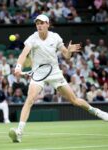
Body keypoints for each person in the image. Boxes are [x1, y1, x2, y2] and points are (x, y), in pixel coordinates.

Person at [9, 14, 108, 143]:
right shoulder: (32, 39)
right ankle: (19, 132)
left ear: (47, 24)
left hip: (55, 72)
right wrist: (18, 67)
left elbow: (66, 55)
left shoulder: (55, 37)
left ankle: (98, 113)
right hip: (38, 74)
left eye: (42, 23)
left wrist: (69, 51)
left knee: (74, 100)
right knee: (30, 99)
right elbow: (23, 54)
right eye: (37, 23)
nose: (39, 25)